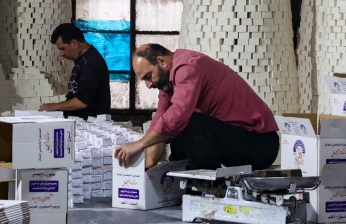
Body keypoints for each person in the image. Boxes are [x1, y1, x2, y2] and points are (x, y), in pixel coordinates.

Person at [114, 44, 279, 171]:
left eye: (148, 77)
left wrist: (139, 145)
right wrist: (148, 165)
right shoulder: (167, 85)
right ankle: (176, 182)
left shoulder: (188, 67)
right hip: (231, 140)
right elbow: (160, 120)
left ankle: (202, 187)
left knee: (187, 121)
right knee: (172, 125)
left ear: (162, 61)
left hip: (260, 145)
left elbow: (177, 117)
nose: (148, 85)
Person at [38, 23, 111, 119]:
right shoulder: (83, 60)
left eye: (63, 49)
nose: (61, 54)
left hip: (90, 123)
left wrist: (55, 106)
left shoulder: (91, 63)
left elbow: (82, 102)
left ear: (74, 44)